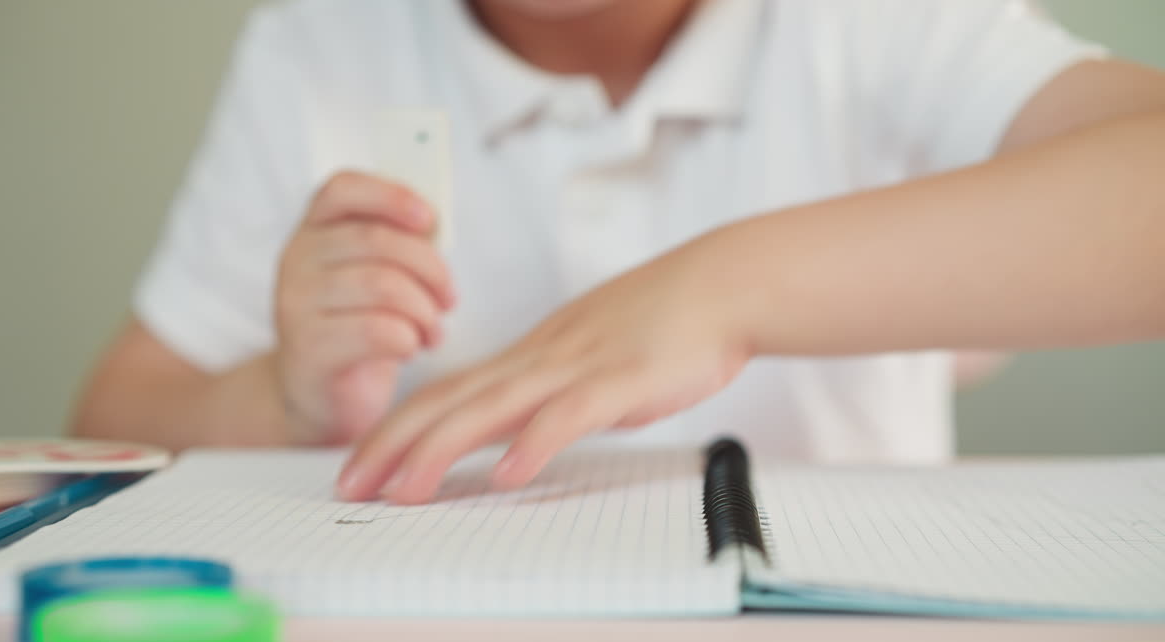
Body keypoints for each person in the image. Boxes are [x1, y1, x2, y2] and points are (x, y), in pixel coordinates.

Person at [73, 0, 1165, 505]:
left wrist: (720, 289)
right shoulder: (319, 41)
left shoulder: (876, 21)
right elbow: (109, 428)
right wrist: (283, 397)